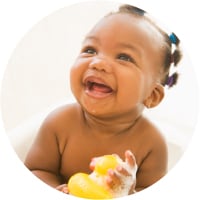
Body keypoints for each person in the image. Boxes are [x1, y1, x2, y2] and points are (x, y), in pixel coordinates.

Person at [24, 4, 182, 196]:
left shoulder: (151, 143)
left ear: (152, 95)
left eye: (124, 57)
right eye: (90, 50)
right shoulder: (58, 123)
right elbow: (35, 171)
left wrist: (128, 191)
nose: (97, 63)